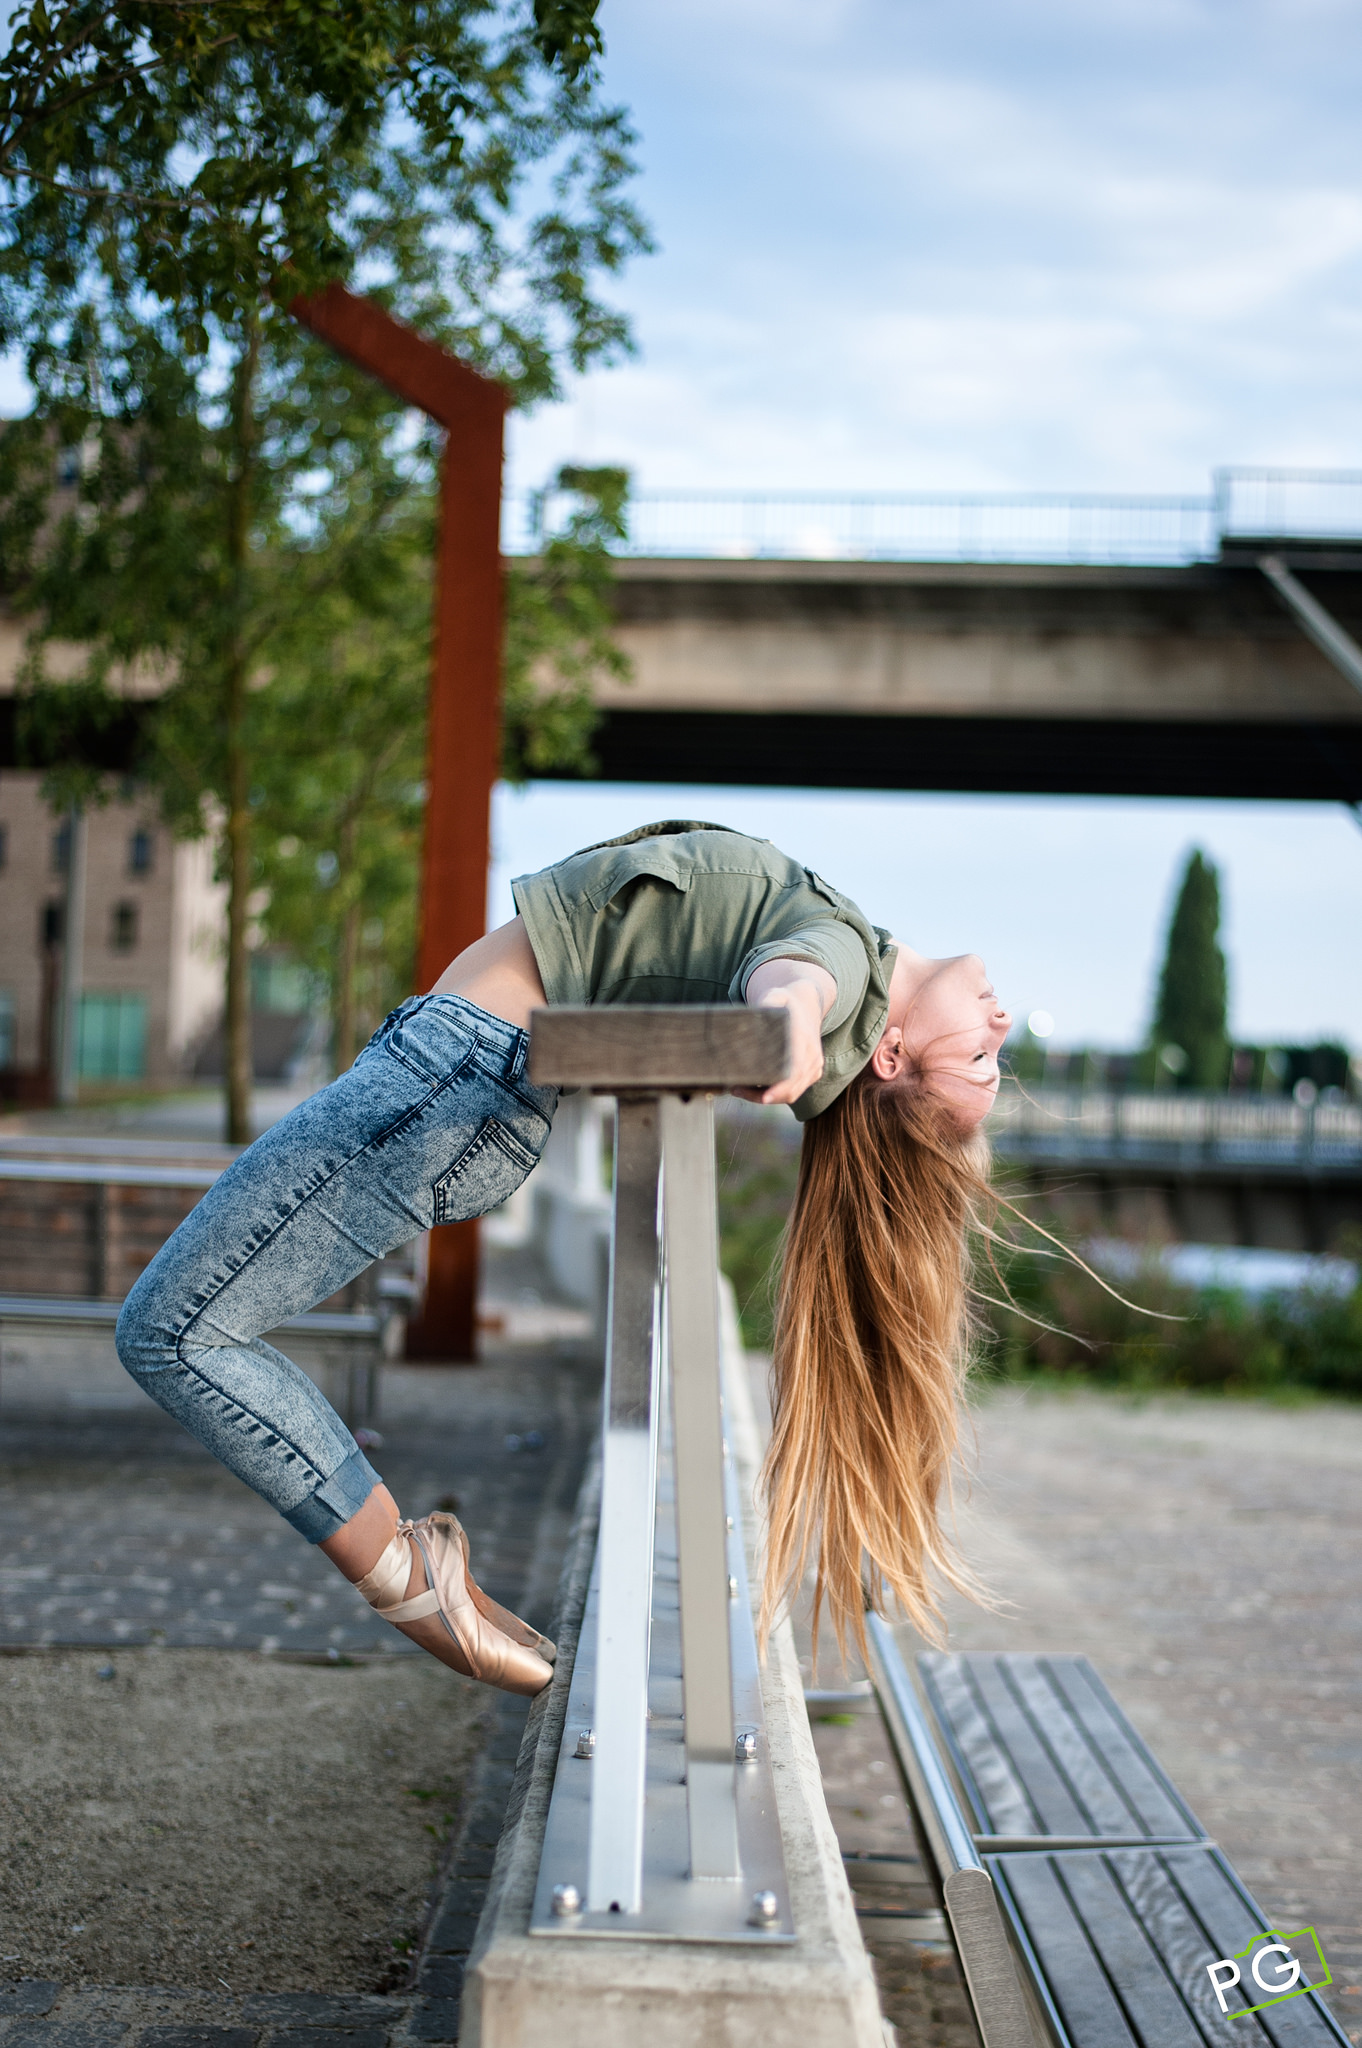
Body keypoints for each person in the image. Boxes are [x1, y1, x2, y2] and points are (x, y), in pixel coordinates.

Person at [116, 822, 1011, 1693]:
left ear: (890, 1053)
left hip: (451, 1083)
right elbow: (791, 969)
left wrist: (785, 1021)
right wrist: (787, 1010)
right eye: (993, 1048)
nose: (1001, 1022)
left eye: (979, 1052)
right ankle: (405, 1567)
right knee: (182, 1326)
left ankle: (403, 1577)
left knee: (173, 1331)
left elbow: (797, 981)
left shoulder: (837, 963)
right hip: (448, 1073)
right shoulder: (842, 927)